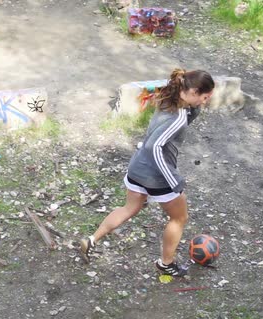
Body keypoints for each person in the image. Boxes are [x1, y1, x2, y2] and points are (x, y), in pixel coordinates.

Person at [79, 68, 215, 276]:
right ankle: (166, 264)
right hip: (157, 175)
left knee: (129, 208)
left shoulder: (167, 100)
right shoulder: (178, 116)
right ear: (194, 91)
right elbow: (155, 147)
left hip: (137, 167)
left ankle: (92, 239)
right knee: (179, 218)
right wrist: (173, 179)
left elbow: (172, 129)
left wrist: (194, 109)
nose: (204, 102)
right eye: (204, 98)